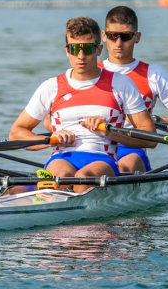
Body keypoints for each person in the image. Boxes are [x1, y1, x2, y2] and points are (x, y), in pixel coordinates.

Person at [9, 16, 156, 193]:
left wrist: (108, 131)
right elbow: (16, 133)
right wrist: (50, 139)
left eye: (87, 48)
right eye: (74, 49)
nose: (80, 56)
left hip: (102, 158)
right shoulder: (51, 87)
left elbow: (149, 137)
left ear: (99, 49)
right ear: (66, 50)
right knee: (61, 178)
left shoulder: (121, 84)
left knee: (82, 179)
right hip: (62, 157)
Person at [99, 5, 168, 173]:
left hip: (130, 147)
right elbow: (52, 121)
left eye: (125, 36)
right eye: (113, 36)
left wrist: (154, 121)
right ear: (104, 36)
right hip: (95, 144)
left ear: (137, 37)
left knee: (126, 167)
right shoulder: (89, 72)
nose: (118, 43)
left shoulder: (152, 74)